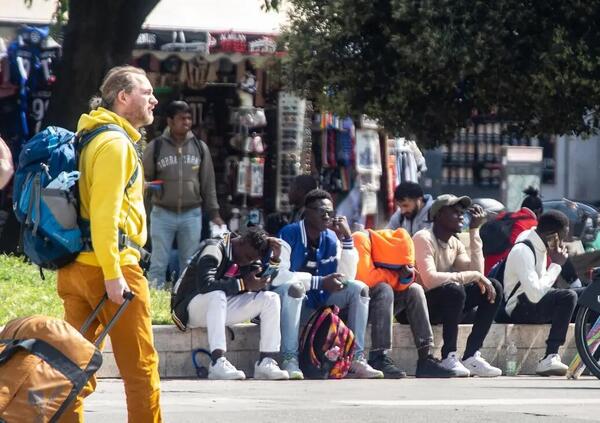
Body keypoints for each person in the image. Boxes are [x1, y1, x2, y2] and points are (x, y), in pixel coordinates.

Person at [56, 66, 161, 422]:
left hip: (76, 268)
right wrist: (115, 274)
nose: (154, 99)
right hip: (112, 272)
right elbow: (104, 214)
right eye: (146, 92)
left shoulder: (89, 135)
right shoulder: (116, 144)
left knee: (73, 368)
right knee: (140, 369)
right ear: (123, 97)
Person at [271, 189, 383, 380]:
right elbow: (278, 276)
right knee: (295, 288)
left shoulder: (331, 238)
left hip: (319, 303)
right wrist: (319, 282)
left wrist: (348, 239)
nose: (327, 216)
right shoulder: (289, 233)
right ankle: (290, 359)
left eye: (330, 212)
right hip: (291, 303)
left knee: (359, 289)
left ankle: (356, 358)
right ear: (306, 211)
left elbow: (347, 276)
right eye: (321, 211)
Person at [171, 227, 289, 380]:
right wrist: (242, 284)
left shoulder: (249, 254)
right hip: (189, 307)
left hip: (219, 307)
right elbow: (205, 285)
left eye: (253, 259)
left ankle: (266, 362)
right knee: (217, 295)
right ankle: (217, 362)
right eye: (247, 257)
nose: (248, 262)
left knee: (270, 298)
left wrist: (274, 261)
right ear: (241, 242)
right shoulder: (215, 248)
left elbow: (259, 283)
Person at [413, 194, 503, 377]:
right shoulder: (423, 238)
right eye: (454, 212)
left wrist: (475, 231)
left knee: (493, 287)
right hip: (419, 308)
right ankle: (449, 356)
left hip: (445, 304)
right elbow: (429, 279)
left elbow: (477, 274)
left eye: (462, 212)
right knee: (455, 289)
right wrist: (474, 275)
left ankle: (471, 355)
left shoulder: (455, 243)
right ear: (438, 215)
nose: (461, 215)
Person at [353, 228, 455, 378]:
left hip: (381, 305)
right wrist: (396, 276)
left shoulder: (401, 248)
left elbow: (407, 281)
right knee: (384, 288)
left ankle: (425, 357)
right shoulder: (360, 239)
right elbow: (366, 278)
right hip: (355, 306)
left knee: (415, 289)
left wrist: (405, 278)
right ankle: (378, 356)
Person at [143, 100, 223, 289]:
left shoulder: (199, 147)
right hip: (162, 213)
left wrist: (214, 213)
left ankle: (183, 300)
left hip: (191, 213)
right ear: (170, 121)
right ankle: (156, 301)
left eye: (189, 118)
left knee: (189, 263)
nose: (187, 122)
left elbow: (208, 183)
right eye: (181, 118)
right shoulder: (156, 147)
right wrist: (157, 191)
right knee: (158, 263)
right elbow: (143, 182)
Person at [503, 210, 581, 376]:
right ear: (551, 235)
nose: (564, 241)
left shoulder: (540, 242)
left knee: (588, 295)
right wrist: (556, 265)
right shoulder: (523, 251)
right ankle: (550, 356)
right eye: (563, 236)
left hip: (535, 299)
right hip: (519, 307)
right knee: (569, 296)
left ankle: (592, 351)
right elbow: (535, 294)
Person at [483, 187, 541, 274]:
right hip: (506, 274)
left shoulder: (502, 217)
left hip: (487, 269)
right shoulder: (533, 225)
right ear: (539, 211)